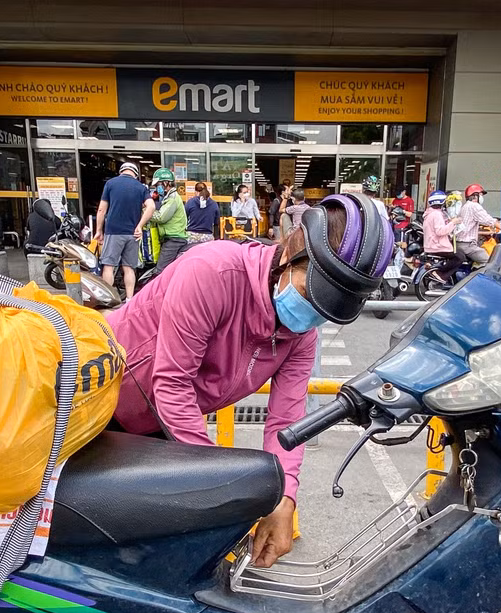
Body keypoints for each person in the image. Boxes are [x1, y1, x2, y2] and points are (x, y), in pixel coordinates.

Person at [105, 193, 392, 567]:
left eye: (325, 311)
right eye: (311, 294)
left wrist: (284, 498)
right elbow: (173, 384)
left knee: (148, 556)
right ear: (290, 250)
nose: (309, 317)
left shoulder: (300, 337)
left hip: (155, 428)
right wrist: (221, 489)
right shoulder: (214, 272)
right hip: (95, 403)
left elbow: (287, 423)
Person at [94, 161, 153, 299]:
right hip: (133, 234)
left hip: (113, 231)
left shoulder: (110, 184)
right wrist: (140, 225)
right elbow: (151, 207)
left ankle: (107, 299)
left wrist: (99, 230)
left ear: (121, 171)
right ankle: (129, 300)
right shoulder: (141, 187)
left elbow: (102, 210)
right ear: (135, 174)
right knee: (129, 268)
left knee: (108, 266)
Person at [150, 168, 189, 272]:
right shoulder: (168, 197)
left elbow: (161, 217)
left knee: (160, 271)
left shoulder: (172, 198)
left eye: (158, 184)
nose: (157, 187)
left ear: (166, 183)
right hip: (170, 238)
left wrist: (147, 211)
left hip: (174, 240)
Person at [454, 184, 499, 267]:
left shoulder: (465, 206)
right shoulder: (474, 206)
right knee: (490, 263)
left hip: (460, 243)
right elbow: (489, 220)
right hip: (467, 246)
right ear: (475, 196)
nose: (482, 197)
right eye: (481, 195)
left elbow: (469, 225)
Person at [422, 190, 461, 281]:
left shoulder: (429, 213)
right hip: (438, 246)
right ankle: (441, 274)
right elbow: (440, 231)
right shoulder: (437, 214)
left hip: (430, 245)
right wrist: (453, 223)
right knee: (460, 257)